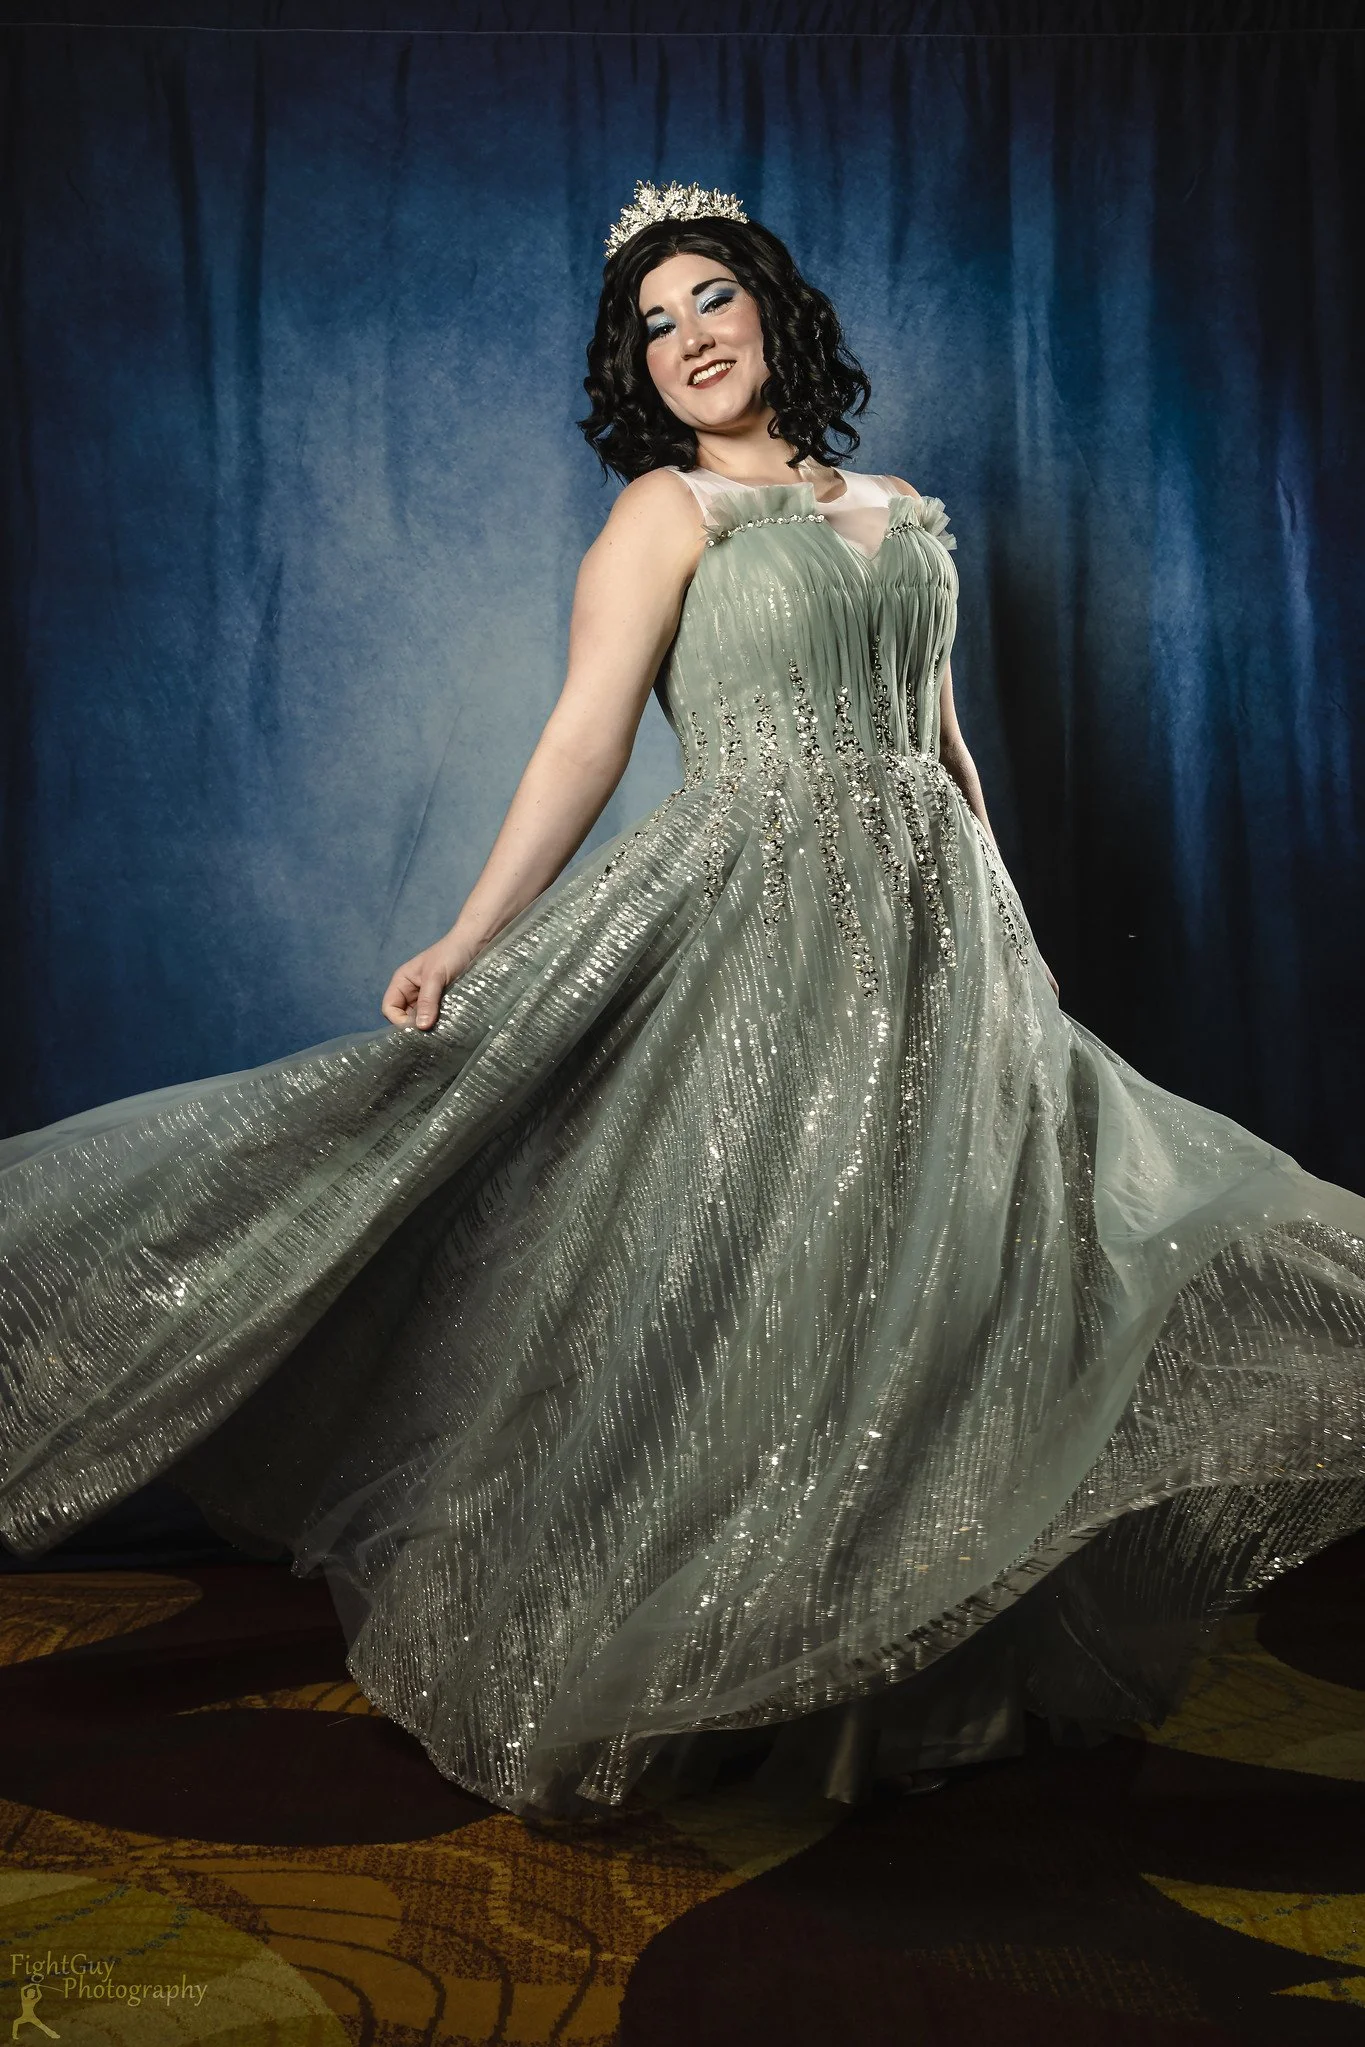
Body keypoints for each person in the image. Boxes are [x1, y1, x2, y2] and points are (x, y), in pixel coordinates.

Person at [2, 179, 1365, 1823]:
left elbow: (942, 750)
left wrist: (1016, 933)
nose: (685, 340)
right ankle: (718, 1661)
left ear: (771, 312)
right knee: (780, 1283)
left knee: (948, 1293)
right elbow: (584, 736)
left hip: (945, 952)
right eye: (651, 327)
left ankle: (903, 1671)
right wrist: (469, 935)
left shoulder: (909, 508)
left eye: (707, 299)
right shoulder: (663, 515)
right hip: (764, 929)